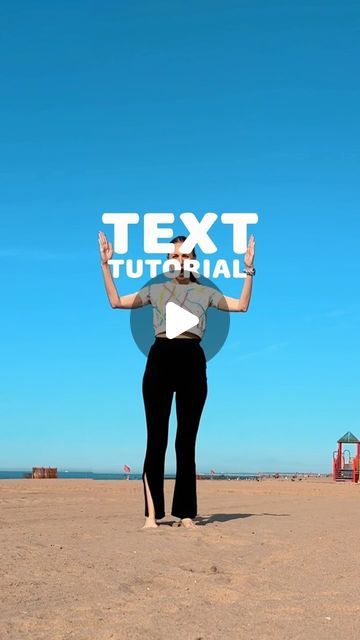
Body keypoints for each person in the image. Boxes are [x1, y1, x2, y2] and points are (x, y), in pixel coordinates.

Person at [98, 230, 256, 529]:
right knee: (156, 439)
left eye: (186, 255)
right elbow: (116, 301)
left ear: (195, 261)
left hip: (193, 360)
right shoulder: (155, 290)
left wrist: (248, 269)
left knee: (186, 441)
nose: (180, 260)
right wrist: (106, 264)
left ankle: (185, 513)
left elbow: (242, 305)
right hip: (160, 358)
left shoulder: (206, 293)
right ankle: (151, 515)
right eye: (174, 256)